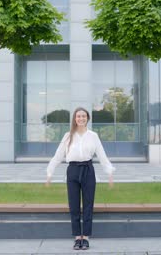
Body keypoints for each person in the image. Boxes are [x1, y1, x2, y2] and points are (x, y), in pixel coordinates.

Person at [45, 107, 115, 250]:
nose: (81, 118)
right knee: (74, 206)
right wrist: (49, 173)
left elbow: (102, 154)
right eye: (78, 116)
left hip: (88, 171)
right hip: (72, 171)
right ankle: (77, 237)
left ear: (87, 118)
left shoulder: (93, 136)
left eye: (83, 116)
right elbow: (58, 155)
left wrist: (109, 172)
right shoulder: (68, 136)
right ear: (75, 119)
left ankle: (86, 237)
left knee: (88, 205)